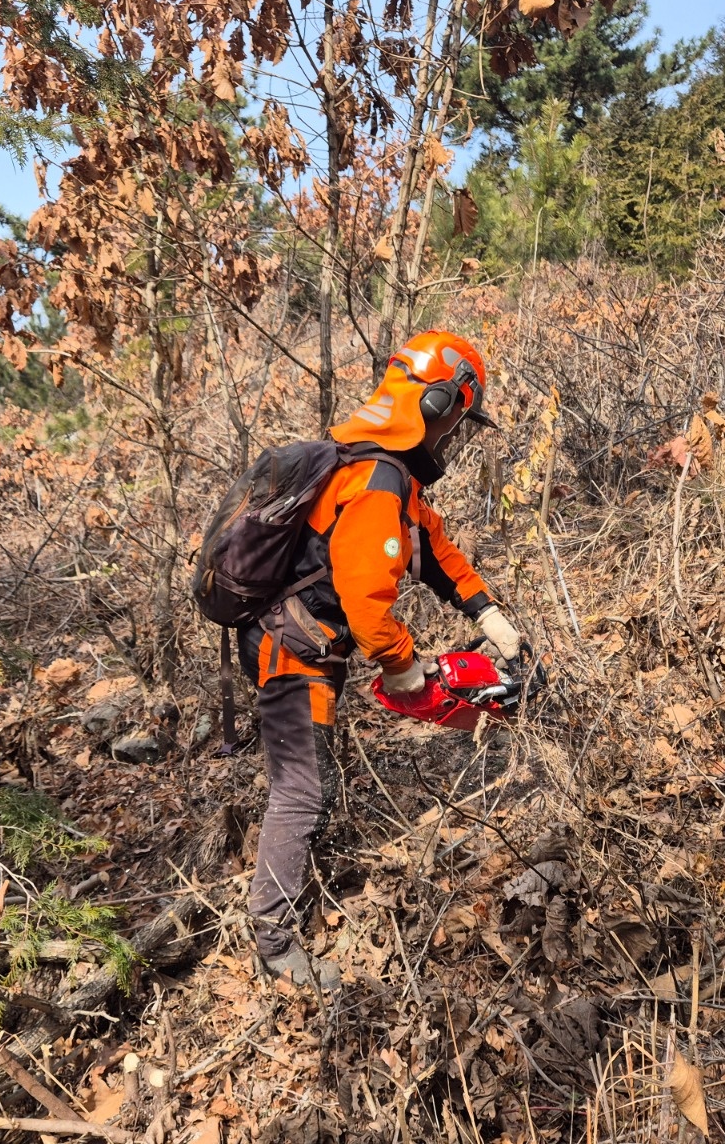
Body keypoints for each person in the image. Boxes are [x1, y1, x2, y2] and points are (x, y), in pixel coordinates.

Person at [241, 329, 522, 991]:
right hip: (293, 648)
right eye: (456, 420)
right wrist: (403, 665)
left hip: (304, 639)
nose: (455, 435)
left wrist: (487, 613)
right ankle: (274, 943)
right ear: (436, 404)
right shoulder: (376, 477)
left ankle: (289, 898)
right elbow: (368, 606)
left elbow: (430, 542)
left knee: (311, 782)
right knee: (303, 789)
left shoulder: (380, 469)